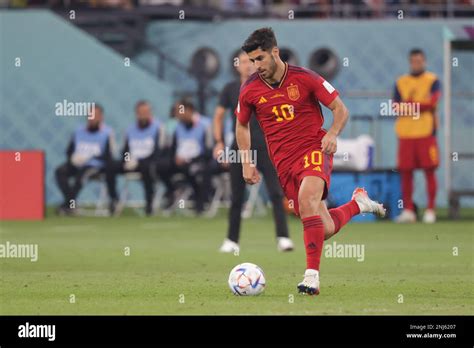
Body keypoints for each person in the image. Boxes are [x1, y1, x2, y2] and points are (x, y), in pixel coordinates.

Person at [236, 28, 385, 295]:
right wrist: (246, 161)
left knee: (307, 201)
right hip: (284, 164)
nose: (256, 66)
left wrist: (332, 133)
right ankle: (357, 204)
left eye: (260, 59)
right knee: (323, 227)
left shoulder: (305, 78)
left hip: (314, 149)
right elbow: (242, 125)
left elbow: (341, 109)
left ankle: (311, 278)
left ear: (275, 52)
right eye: (251, 61)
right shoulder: (250, 89)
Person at [213, 50, 294, 253]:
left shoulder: (267, 85)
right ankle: (232, 241)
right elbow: (218, 117)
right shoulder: (230, 89)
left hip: (266, 145)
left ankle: (283, 237)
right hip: (239, 148)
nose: (247, 65)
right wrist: (219, 142)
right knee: (237, 196)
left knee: (276, 192)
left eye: (251, 61)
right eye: (243, 61)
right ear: (236, 65)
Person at [393, 48, 441, 224]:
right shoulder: (401, 82)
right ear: (410, 62)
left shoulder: (432, 80)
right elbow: (396, 107)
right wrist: (420, 105)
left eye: (419, 61)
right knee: (406, 173)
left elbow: (433, 102)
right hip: (406, 134)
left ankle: (430, 210)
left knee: (429, 171)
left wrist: (410, 105)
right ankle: (408, 211)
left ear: (424, 62)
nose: (416, 64)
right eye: (413, 61)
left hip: (426, 133)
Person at [107, 100, 171, 216]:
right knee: (110, 166)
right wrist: (127, 160)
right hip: (131, 163)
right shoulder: (130, 130)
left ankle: (149, 205)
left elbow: (159, 151)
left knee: (147, 168)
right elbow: (125, 150)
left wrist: (139, 161)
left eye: (146, 112)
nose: (143, 115)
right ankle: (114, 200)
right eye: (141, 112)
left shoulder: (158, 128)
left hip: (148, 163)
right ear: (136, 113)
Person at [55, 104, 117, 215]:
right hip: (78, 163)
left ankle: (68, 204)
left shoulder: (107, 133)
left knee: (81, 176)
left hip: (95, 165)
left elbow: (110, 156)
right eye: (90, 115)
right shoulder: (78, 131)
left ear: (101, 117)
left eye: (96, 115)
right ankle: (70, 203)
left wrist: (90, 157)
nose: (92, 118)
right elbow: (69, 151)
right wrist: (73, 158)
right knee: (60, 171)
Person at [170, 98, 213, 214]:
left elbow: (209, 150)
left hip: (199, 160)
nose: (177, 114)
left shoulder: (205, 125)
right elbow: (173, 148)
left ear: (188, 110)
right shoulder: (178, 127)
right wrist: (176, 158)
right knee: (160, 167)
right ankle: (169, 197)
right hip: (180, 162)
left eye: (180, 110)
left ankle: (201, 201)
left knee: (197, 170)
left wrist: (190, 159)